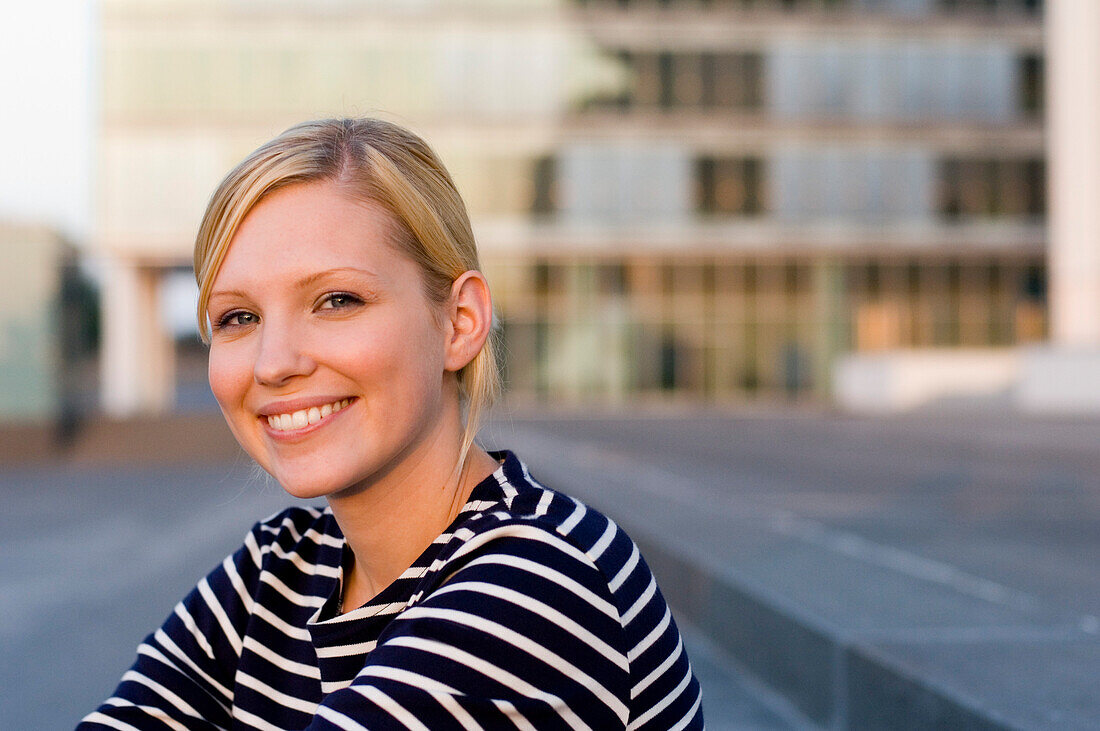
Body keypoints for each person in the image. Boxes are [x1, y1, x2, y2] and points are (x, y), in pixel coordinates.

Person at [78, 118, 703, 730]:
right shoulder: (283, 566)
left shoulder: (543, 584)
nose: (273, 364)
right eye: (238, 317)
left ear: (459, 322)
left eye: (337, 301)